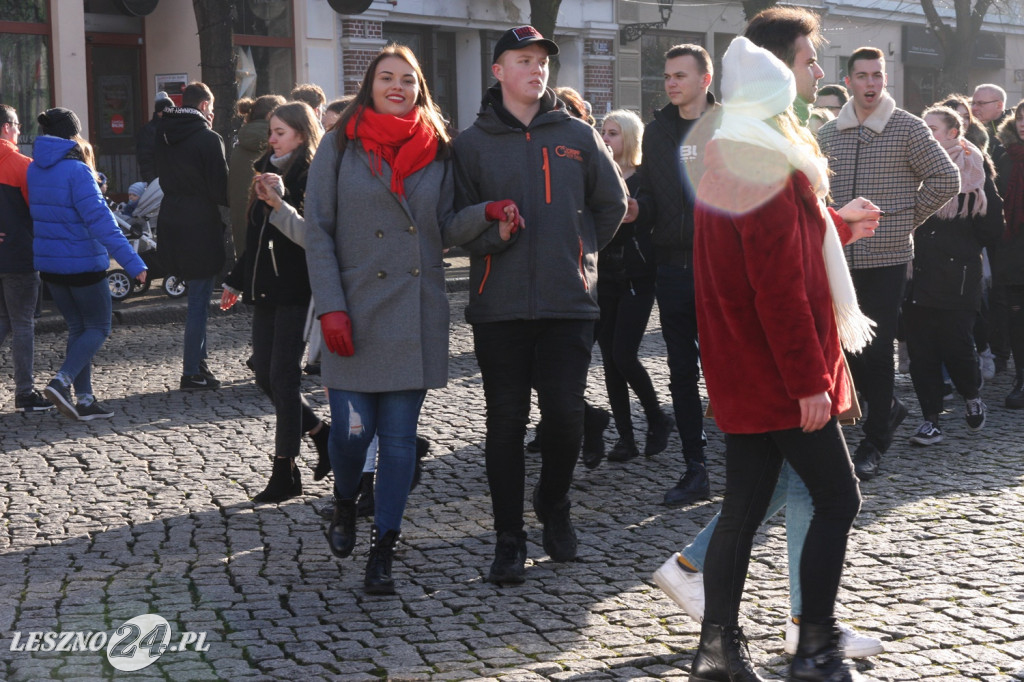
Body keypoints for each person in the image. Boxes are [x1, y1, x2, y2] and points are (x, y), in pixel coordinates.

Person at [653, 6, 884, 661]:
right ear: (780, 73)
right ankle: (813, 646)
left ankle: (718, 651)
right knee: (838, 497)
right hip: (776, 371)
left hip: (746, 366)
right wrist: (809, 381)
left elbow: (770, 246)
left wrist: (836, 228)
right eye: (810, 60)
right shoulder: (762, 153)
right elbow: (776, 285)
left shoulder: (741, 142)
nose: (819, 70)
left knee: (745, 507)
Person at [304, 44, 518, 595]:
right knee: (352, 437)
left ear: (420, 88)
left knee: (399, 441)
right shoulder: (338, 145)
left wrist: (489, 217)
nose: (397, 87)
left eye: (408, 79)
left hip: (413, 311)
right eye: (386, 78)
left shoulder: (438, 152)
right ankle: (345, 502)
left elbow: (443, 228)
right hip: (350, 310)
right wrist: (330, 305)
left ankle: (385, 550)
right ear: (370, 86)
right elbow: (317, 231)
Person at [453, 25, 628, 584]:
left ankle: (553, 501)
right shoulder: (470, 143)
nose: (536, 69)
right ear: (498, 70)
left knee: (565, 415)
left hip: (567, 304)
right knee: (504, 422)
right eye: (522, 60)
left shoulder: (577, 133)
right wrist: (491, 236)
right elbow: (453, 223)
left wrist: (578, 253)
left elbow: (612, 203)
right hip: (497, 305)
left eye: (542, 62)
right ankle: (509, 537)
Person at [818, 47, 960, 481]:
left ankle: (875, 440)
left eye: (877, 75)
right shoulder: (828, 135)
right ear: (848, 82)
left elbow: (945, 179)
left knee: (877, 351)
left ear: (885, 79)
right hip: (838, 257)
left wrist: (902, 222)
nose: (871, 83)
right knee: (842, 346)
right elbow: (817, 193)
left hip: (886, 257)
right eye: (862, 75)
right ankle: (889, 407)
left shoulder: (907, 128)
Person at [221, 101, 332, 503]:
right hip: (265, 290)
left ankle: (285, 472)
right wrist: (235, 280)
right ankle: (322, 433)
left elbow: (309, 236)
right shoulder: (264, 172)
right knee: (264, 376)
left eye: (280, 132)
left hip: (298, 291)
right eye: (271, 131)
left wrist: (280, 201)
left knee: (284, 379)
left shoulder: (312, 174)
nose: (271, 139)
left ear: (301, 135)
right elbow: (257, 240)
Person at [634, 43, 720, 508]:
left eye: (680, 76)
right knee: (682, 374)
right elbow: (650, 194)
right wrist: (633, 210)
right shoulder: (657, 131)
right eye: (667, 75)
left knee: (726, 368)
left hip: (721, 269)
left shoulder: (730, 128)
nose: (670, 83)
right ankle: (696, 467)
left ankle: (750, 461)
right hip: (671, 268)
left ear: (704, 79)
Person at [29, 108, 147, 420]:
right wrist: (133, 263)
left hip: (50, 266)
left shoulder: (34, 169)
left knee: (78, 328)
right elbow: (102, 223)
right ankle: (61, 381)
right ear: (72, 135)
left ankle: (84, 400)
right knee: (98, 327)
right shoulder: (78, 172)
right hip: (83, 264)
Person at [903, 106, 1002, 445]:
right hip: (917, 272)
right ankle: (930, 419)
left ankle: (972, 394)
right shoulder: (909, 168)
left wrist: (979, 203)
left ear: (952, 134)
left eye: (931, 128)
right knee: (921, 352)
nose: (924, 134)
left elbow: (991, 231)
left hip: (958, 276)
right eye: (922, 127)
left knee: (957, 346)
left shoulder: (975, 171)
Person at [597, 109, 673, 463]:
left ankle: (657, 417)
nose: (607, 138)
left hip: (637, 277)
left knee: (624, 354)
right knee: (610, 362)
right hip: (602, 279)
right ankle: (625, 437)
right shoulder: (597, 176)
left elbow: (654, 211)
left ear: (629, 137)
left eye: (613, 133)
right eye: (604, 132)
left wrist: (638, 208)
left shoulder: (643, 178)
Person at [155, 81, 230, 391]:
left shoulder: (163, 135)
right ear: (203, 106)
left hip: (170, 217)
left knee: (195, 296)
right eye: (211, 109)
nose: (212, 114)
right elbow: (220, 189)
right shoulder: (209, 139)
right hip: (200, 222)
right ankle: (192, 371)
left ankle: (200, 364)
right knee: (199, 300)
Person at [0, 104, 52, 413]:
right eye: (17, 125)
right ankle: (24, 391)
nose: (20, 131)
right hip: (20, 256)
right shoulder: (22, 165)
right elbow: (38, 209)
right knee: (22, 325)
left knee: (5, 322)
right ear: (6, 127)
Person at [992, 101, 1024, 408]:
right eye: (1021, 117)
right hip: (1012, 247)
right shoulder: (1003, 154)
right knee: (1017, 318)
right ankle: (1021, 379)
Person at [228, 94, 286, 263]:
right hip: (271, 230)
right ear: (270, 116)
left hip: (243, 231)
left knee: (249, 275)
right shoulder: (278, 145)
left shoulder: (238, 145)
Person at [137, 91, 174, 183]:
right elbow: (145, 159)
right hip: (158, 180)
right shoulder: (148, 131)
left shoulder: (177, 126)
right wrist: (152, 181)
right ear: (159, 112)